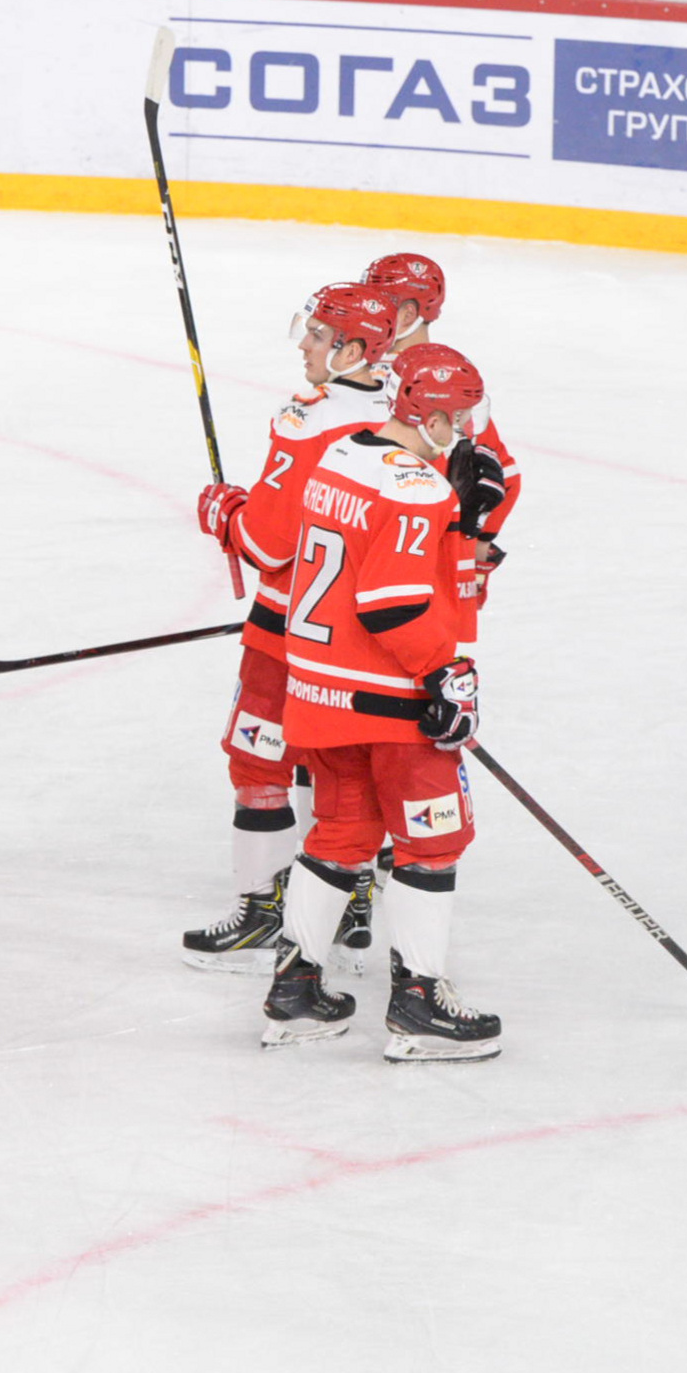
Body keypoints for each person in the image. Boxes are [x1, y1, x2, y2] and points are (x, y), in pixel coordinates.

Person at [262, 345, 499, 1062]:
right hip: (389, 701)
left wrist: (457, 528)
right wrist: (447, 671)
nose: (461, 432)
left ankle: (295, 992)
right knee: (433, 840)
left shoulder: (339, 458)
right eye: (455, 418)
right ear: (426, 414)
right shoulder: (416, 487)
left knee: (341, 830)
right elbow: (391, 600)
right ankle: (420, 1003)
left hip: (316, 691)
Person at [182, 280, 397, 967]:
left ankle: (261, 904)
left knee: (258, 755)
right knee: (342, 766)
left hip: (287, 628)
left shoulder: (307, 419)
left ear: (353, 347)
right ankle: (351, 891)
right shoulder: (402, 409)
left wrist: (225, 513)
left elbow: (271, 544)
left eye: (318, 335)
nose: (304, 345)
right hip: (364, 640)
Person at [365, 252, 517, 619]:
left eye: (378, 302)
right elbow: (506, 479)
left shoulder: (365, 379)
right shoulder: (451, 377)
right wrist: (477, 555)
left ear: (407, 313)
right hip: (432, 575)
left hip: (379, 574)